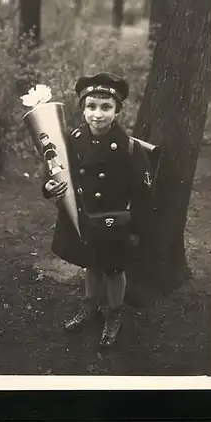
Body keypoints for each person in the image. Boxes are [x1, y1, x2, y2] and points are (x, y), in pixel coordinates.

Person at [42, 72, 155, 347]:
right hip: (84, 218)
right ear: (83, 108)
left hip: (114, 224)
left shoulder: (129, 148)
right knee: (90, 264)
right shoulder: (72, 140)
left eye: (106, 107)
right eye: (91, 106)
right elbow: (54, 170)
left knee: (114, 271)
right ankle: (90, 308)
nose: (98, 114)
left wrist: (137, 231)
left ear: (117, 111)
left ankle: (114, 314)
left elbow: (142, 195)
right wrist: (48, 187)